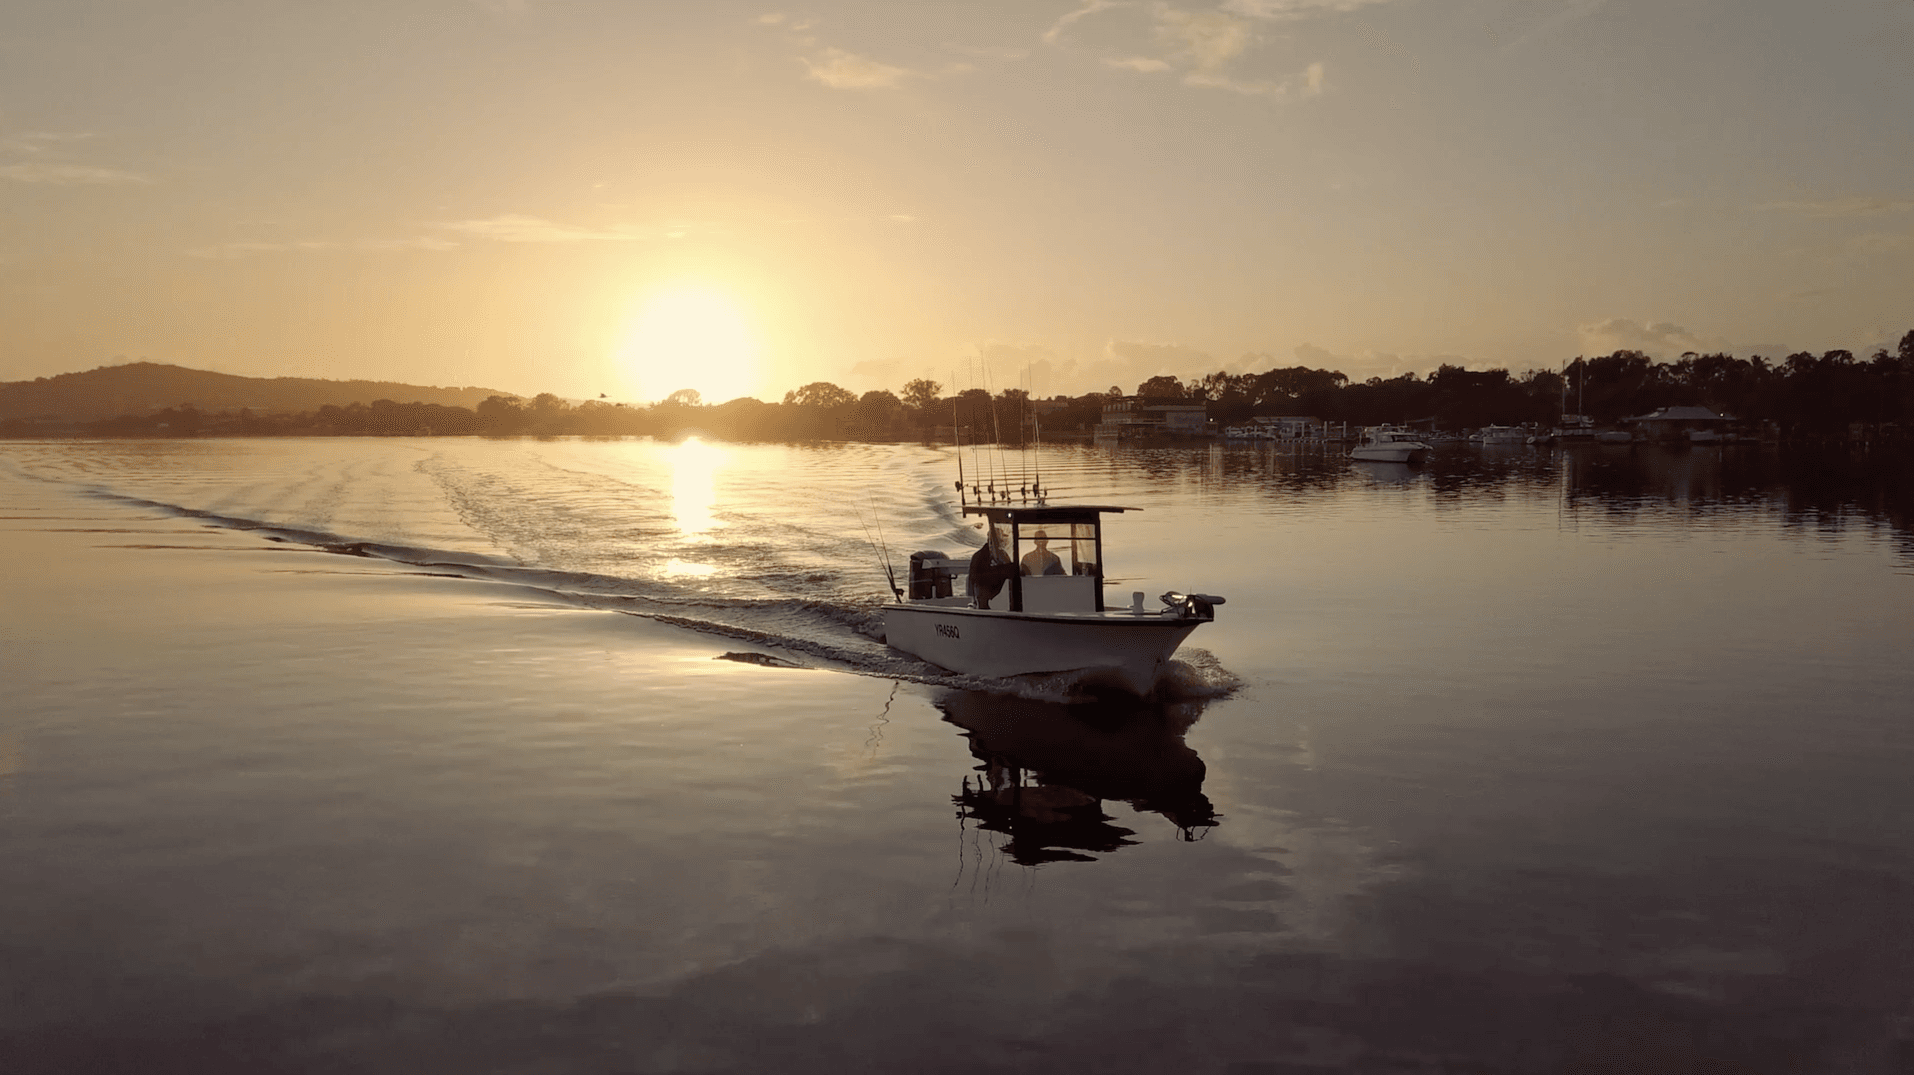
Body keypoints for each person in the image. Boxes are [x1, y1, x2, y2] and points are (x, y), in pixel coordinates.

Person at [968, 528, 1016, 609]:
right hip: (986, 599)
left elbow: (1011, 573)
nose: (1001, 540)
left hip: (1004, 597)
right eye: (999, 538)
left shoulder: (1003, 555)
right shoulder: (979, 556)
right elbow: (974, 578)